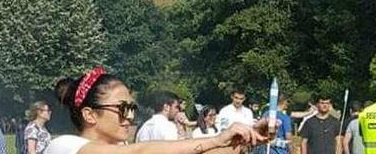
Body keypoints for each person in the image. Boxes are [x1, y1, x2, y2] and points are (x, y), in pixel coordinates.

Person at [47, 66, 268, 154]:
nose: (130, 117)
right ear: (89, 114)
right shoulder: (64, 147)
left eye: (132, 108)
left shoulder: (122, 146)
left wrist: (244, 139)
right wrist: (218, 139)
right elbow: (138, 153)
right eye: (122, 109)